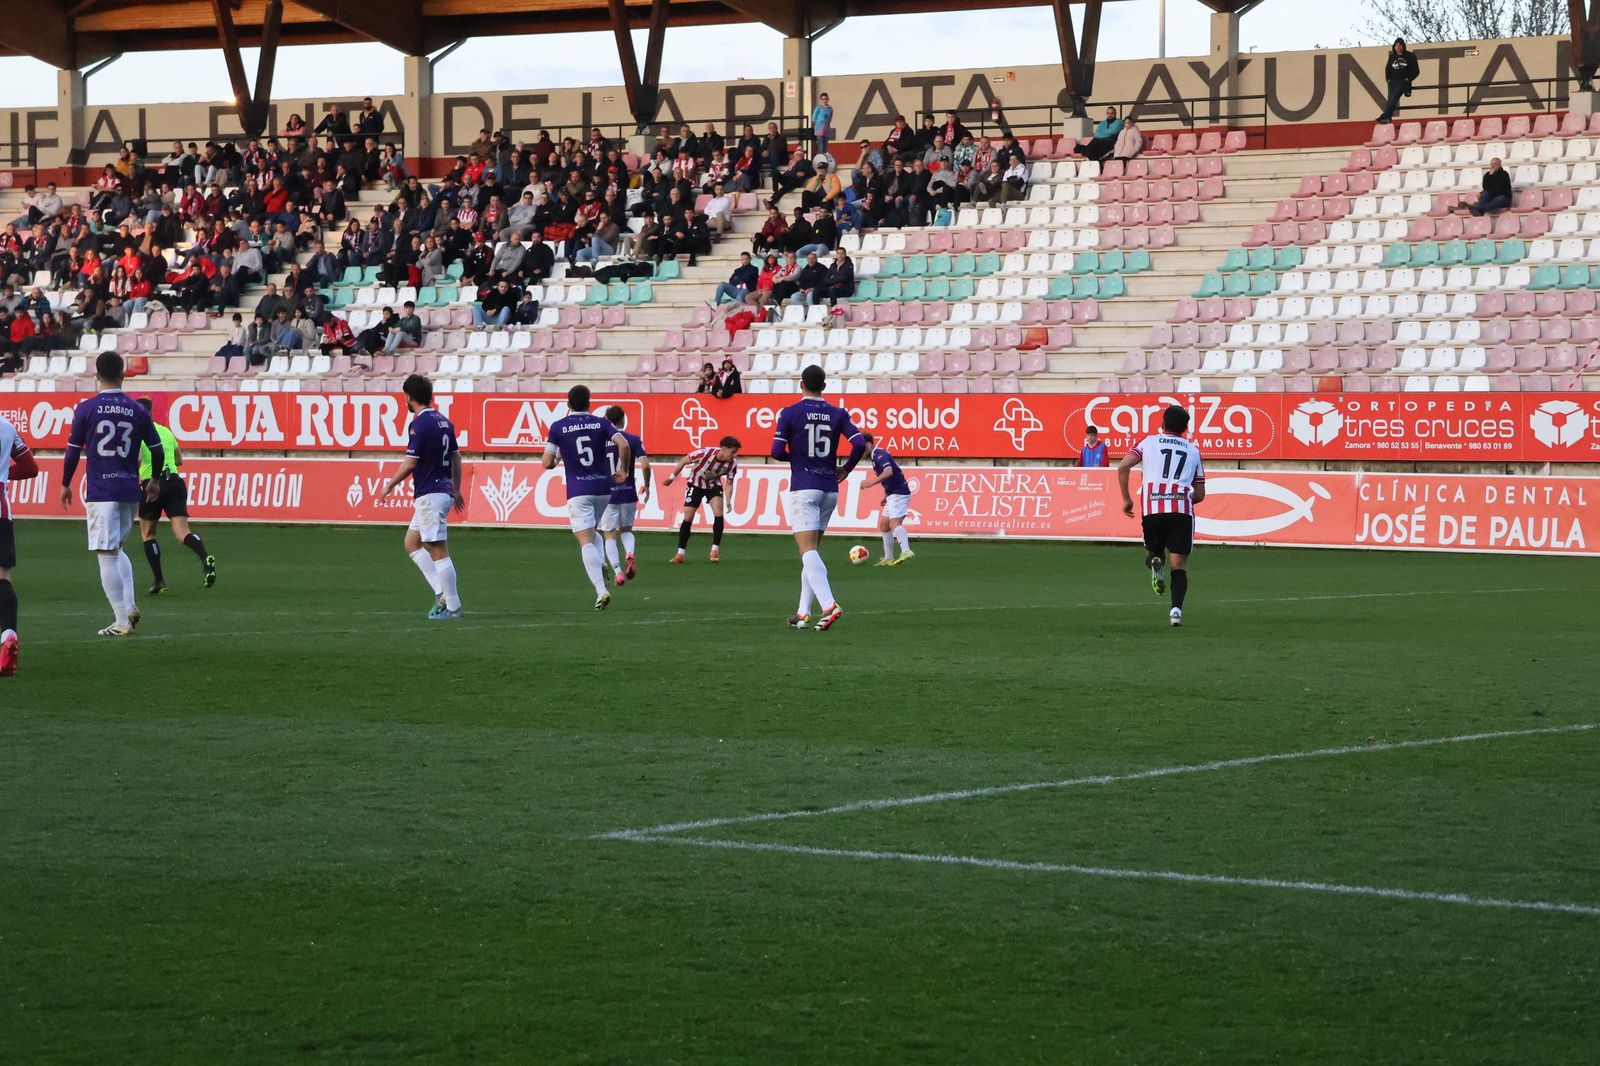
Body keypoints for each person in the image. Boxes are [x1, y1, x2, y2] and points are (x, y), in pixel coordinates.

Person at [58, 352, 165, 637]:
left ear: (97, 374)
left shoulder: (86, 408)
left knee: (106, 554)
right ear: (123, 374)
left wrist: (65, 483)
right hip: (130, 489)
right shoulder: (138, 410)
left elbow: (72, 450)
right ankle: (129, 606)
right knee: (116, 549)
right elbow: (157, 449)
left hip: (101, 491)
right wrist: (154, 480)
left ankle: (121, 622)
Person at [771, 365, 866, 631]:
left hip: (804, 487)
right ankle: (803, 613)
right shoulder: (838, 413)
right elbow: (859, 444)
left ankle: (829, 605)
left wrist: (799, 459)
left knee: (807, 552)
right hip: (829, 488)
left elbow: (776, 450)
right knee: (811, 552)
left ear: (801, 384)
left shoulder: (789, 413)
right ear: (824, 387)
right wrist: (846, 469)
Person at [380, 374, 466, 620]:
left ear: (408, 396)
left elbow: (410, 463)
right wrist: (456, 488)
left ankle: (453, 607)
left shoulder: (420, 424)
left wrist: (390, 484)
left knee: (438, 550)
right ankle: (441, 591)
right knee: (412, 543)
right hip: (442, 491)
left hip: (430, 494)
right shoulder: (444, 421)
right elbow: (456, 457)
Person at [542, 385, 631, 610]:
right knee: (594, 534)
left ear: (568, 404)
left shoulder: (558, 427)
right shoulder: (601, 423)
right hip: (603, 489)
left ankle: (601, 591)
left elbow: (546, 463)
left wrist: (557, 459)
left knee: (584, 541)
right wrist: (624, 470)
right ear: (589, 403)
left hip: (578, 491)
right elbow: (624, 444)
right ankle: (601, 563)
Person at [1117, 405, 1206, 628]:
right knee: (1179, 566)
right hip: (1181, 511)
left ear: (1163, 423)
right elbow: (1201, 494)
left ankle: (1156, 563)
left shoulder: (1148, 442)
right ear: (1186, 428)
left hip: (1152, 508)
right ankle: (1176, 611)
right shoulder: (1193, 451)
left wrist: (1126, 499)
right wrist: (1182, 498)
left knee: (1153, 553)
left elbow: (1123, 466)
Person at [135, 398, 216, 596]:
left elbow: (136, 459)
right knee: (182, 533)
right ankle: (205, 558)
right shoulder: (166, 431)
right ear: (151, 413)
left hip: (152, 484)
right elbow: (179, 459)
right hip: (175, 483)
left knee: (148, 534)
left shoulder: (137, 433)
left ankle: (159, 581)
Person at [0, 412, 39, 676]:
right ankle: (8, 636)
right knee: (3, 576)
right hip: (1, 511)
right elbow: (30, 468)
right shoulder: (6, 426)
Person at [663, 436, 741, 564]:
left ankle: (715, 550)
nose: (734, 455)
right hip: (695, 484)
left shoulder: (732, 464)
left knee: (719, 513)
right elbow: (683, 461)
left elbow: (729, 483)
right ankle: (680, 554)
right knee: (688, 516)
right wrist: (672, 477)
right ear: (723, 449)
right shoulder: (704, 453)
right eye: (732, 452)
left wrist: (728, 501)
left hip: (713, 486)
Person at [598, 405, 650, 588]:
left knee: (609, 535)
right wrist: (647, 485)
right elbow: (645, 465)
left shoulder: (600, 440)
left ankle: (618, 572)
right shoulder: (633, 439)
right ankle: (629, 552)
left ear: (607, 420)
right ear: (623, 419)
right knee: (626, 530)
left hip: (607, 494)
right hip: (628, 491)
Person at [860, 433, 913, 567]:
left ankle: (906, 550)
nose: (859, 451)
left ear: (869, 444)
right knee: (884, 525)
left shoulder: (879, 454)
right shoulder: (875, 457)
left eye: (861, 447)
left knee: (894, 523)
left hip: (899, 493)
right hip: (892, 493)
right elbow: (892, 475)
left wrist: (870, 483)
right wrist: (885, 494)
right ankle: (889, 558)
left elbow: (888, 472)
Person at [1377, 38, 1420, 124]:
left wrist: (1408, 79)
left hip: (1403, 81)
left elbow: (1416, 71)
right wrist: (1388, 79)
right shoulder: (1392, 57)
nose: (1398, 47)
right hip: (1392, 82)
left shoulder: (1410, 56)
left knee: (1393, 98)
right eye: (1396, 45)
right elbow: (1388, 68)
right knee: (1391, 100)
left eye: (1400, 45)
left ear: (1403, 46)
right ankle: (1387, 118)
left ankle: (1384, 117)